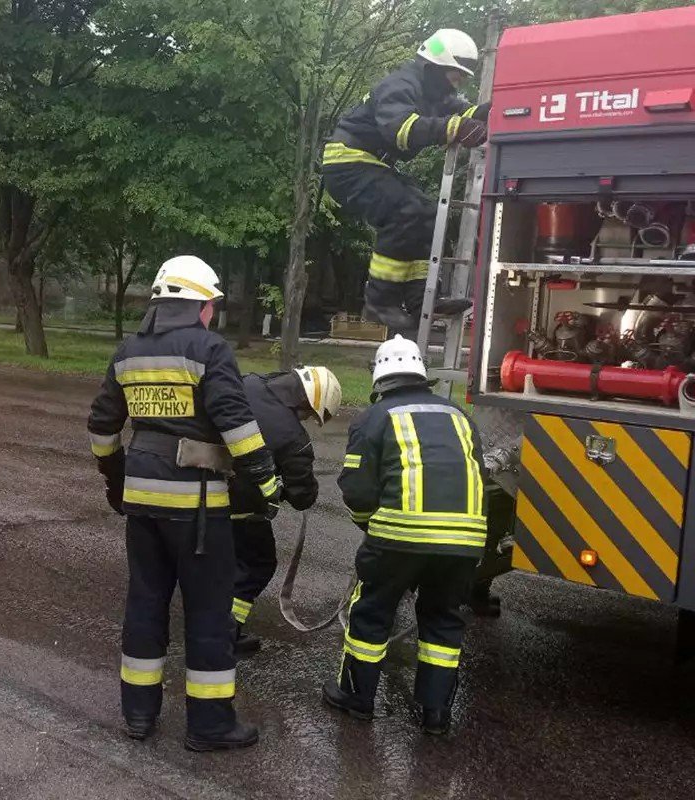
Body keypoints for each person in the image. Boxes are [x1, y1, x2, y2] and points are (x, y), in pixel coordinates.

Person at [87, 255, 283, 752]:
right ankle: (210, 724)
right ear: (199, 304)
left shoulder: (128, 351)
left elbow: (102, 427)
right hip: (196, 507)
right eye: (212, 304)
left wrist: (115, 482)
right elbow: (234, 420)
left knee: (146, 602)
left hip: (141, 502)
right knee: (209, 612)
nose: (213, 313)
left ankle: (137, 714)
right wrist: (265, 480)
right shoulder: (208, 348)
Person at [323, 335, 486, 735]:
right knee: (443, 620)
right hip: (464, 542)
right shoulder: (459, 415)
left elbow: (357, 489)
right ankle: (435, 714)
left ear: (380, 377)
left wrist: (369, 526)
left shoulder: (374, 417)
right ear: (420, 373)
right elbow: (478, 474)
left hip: (397, 538)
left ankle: (357, 699)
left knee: (372, 612)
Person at [322, 28, 490, 335]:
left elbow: (467, 114)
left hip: (371, 163)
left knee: (426, 213)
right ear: (436, 69)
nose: (458, 84)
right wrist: (452, 128)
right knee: (405, 209)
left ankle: (421, 299)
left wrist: (499, 111)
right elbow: (400, 130)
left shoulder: (434, 94)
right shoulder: (401, 85)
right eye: (456, 77)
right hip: (347, 163)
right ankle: (379, 299)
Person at [229, 366, 342, 657]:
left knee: (213, 564)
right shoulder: (294, 438)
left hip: (199, 494)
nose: (305, 420)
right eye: (309, 414)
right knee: (257, 565)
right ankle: (225, 633)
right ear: (306, 401)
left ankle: (206, 621)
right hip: (242, 511)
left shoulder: (249, 381)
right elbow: (304, 497)